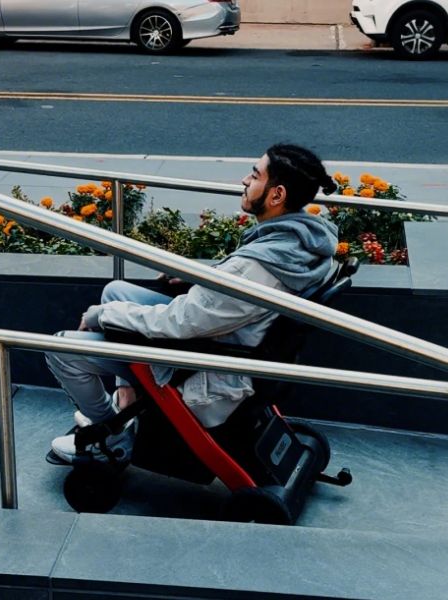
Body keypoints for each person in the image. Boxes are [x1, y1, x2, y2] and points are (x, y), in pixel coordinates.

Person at [46, 144, 339, 463]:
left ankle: (113, 438)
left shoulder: (256, 268)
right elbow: (232, 297)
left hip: (204, 368)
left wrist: (101, 315)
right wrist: (198, 279)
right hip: (229, 343)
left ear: (277, 195)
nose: (244, 180)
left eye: (255, 175)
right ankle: (125, 406)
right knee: (116, 291)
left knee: (63, 350)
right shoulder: (301, 240)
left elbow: (179, 322)